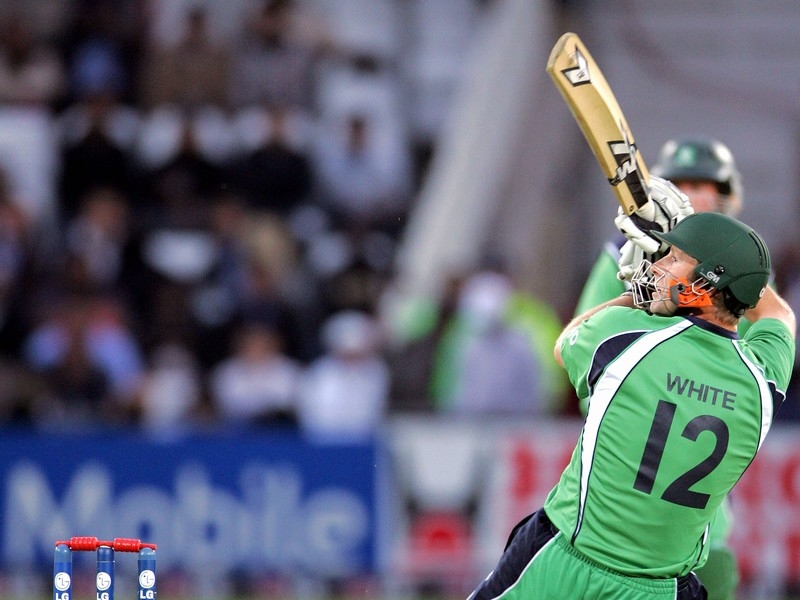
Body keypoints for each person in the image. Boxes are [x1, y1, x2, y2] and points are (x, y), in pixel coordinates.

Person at [468, 211, 795, 599]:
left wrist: (631, 299)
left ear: (707, 281)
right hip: (661, 588)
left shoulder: (626, 334)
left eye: (672, 258)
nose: (657, 266)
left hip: (564, 563)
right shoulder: (765, 379)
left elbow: (565, 344)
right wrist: (720, 260)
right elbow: (777, 312)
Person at [572, 137, 746, 600]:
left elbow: (744, 360)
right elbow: (585, 345)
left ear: (728, 196)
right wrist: (643, 289)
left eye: (704, 185)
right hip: (629, 480)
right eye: (684, 183)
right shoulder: (621, 252)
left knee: (717, 569)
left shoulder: (742, 268)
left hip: (701, 509)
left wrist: (675, 297)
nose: (695, 193)